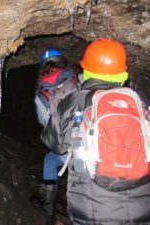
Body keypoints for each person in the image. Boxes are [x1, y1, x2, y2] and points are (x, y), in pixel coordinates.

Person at [41, 37, 150, 224]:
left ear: (87, 70)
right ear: (123, 72)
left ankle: (46, 204)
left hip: (92, 209)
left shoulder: (76, 101)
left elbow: (54, 143)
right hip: (142, 208)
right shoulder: (140, 101)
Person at [30, 49, 80, 216]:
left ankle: (47, 205)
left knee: (50, 160)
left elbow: (45, 123)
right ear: (62, 63)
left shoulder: (42, 95)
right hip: (91, 143)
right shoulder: (78, 79)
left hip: (68, 149)